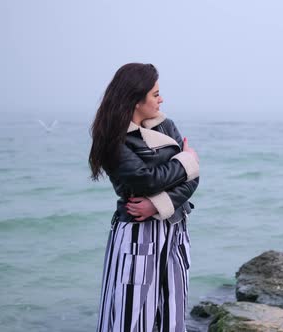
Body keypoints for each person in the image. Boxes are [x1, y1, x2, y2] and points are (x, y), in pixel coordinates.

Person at [88, 63, 200, 332]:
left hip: (174, 228)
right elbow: (145, 179)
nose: (161, 99)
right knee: (130, 312)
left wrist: (157, 204)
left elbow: (193, 179)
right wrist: (187, 161)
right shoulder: (114, 139)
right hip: (138, 233)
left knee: (171, 311)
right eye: (155, 94)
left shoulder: (166, 126)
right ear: (136, 99)